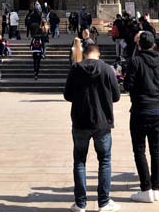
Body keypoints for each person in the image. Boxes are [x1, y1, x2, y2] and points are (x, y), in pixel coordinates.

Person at [64, 42, 121, 212]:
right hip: (102, 122)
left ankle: (80, 203)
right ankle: (104, 202)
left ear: (85, 53)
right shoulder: (107, 69)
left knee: (79, 161)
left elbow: (67, 95)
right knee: (104, 161)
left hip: (80, 121)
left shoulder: (75, 69)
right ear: (98, 54)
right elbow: (117, 96)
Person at [124, 30, 159, 203]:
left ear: (138, 45)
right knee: (156, 149)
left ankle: (146, 188)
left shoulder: (135, 61)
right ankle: (156, 188)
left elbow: (127, 85)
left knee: (139, 150)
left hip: (139, 110)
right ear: (153, 45)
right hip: (156, 111)